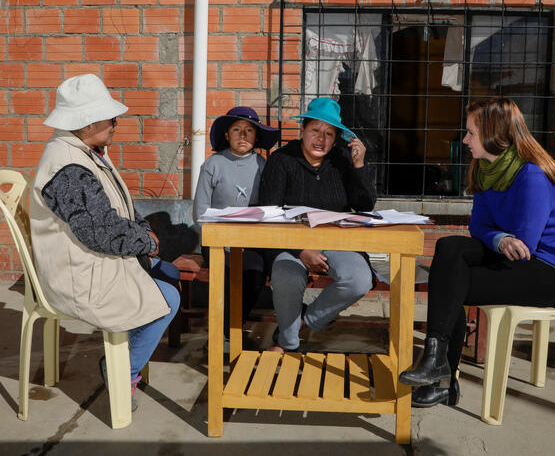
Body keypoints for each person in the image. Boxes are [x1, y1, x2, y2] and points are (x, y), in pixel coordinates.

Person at [399, 97, 555, 408]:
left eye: (471, 133)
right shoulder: (486, 170)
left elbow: (525, 244)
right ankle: (436, 361)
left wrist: (501, 240)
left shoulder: (532, 175)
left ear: (494, 134)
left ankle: (440, 374)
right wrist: (498, 240)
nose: (465, 139)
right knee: (448, 247)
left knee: (450, 281)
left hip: (548, 273)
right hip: (514, 257)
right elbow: (478, 226)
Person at [30, 74, 180, 411]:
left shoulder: (85, 152)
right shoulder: (69, 167)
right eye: (109, 117)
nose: (116, 122)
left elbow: (113, 212)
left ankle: (131, 353)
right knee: (167, 296)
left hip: (89, 260)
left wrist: (144, 237)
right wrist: (147, 242)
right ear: (85, 123)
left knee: (168, 272)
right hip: (79, 274)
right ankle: (122, 371)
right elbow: (100, 233)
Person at [258, 97, 376, 353]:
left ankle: (303, 321)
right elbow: (269, 214)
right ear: (303, 130)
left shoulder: (342, 161)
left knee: (358, 280)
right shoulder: (281, 161)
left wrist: (358, 166)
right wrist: (301, 251)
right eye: (315, 131)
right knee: (287, 277)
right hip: (289, 242)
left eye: (329, 134)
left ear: (336, 139)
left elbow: (365, 205)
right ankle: (287, 344)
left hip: (337, 240)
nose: (321, 139)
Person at [193, 106, 280, 326]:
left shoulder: (262, 165)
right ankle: (221, 326)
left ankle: (231, 326)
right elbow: (200, 213)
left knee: (254, 274)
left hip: (252, 241)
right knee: (227, 275)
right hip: (218, 240)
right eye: (236, 130)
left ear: (256, 136)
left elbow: (270, 208)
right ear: (226, 135)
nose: (243, 136)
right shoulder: (212, 165)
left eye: (249, 130)